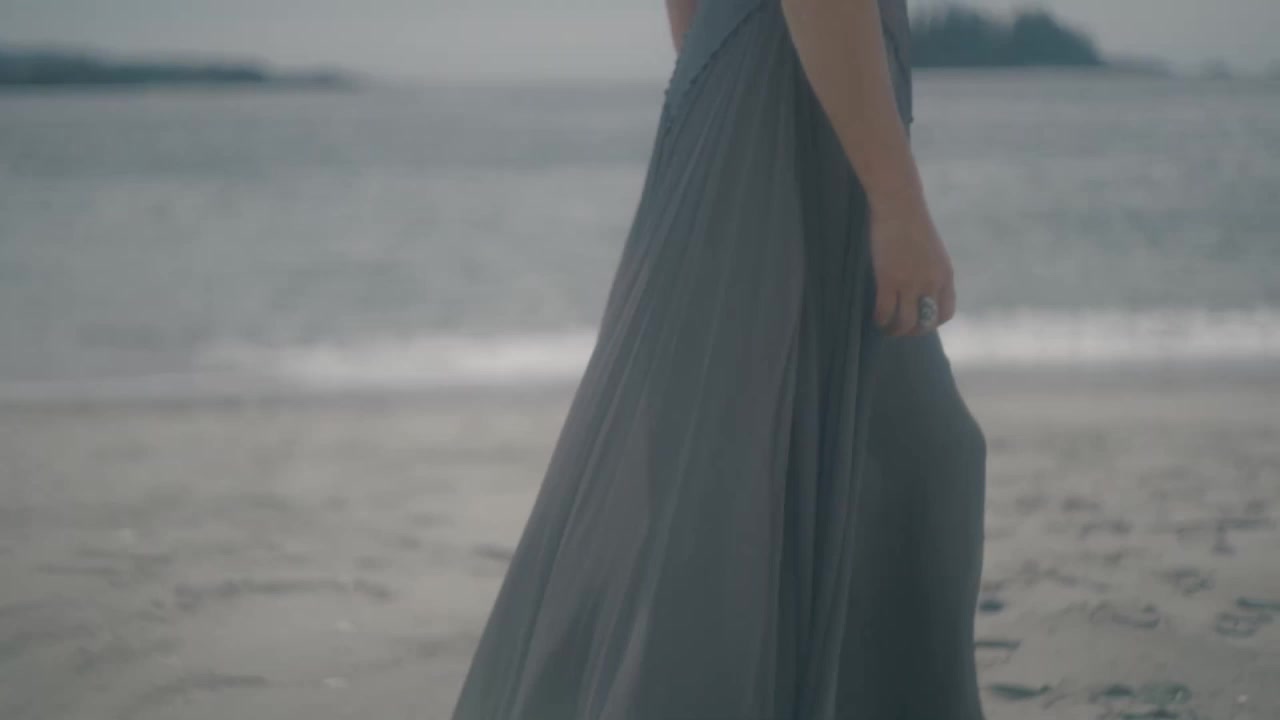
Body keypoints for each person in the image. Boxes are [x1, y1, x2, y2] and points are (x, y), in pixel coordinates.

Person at [450, 0, 988, 717]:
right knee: (861, 476)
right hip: (788, 113)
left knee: (739, 473)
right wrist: (897, 204)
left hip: (747, 100)